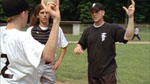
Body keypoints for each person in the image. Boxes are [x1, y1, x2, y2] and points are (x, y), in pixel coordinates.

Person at [74, 0, 135, 84]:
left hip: (108, 73)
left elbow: (128, 36)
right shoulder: (87, 31)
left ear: (103, 13)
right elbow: (81, 43)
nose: (94, 14)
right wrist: (78, 47)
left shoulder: (111, 28)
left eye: (97, 11)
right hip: (92, 73)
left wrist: (131, 18)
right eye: (92, 12)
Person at [0, 0, 61, 84]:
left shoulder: (1, 32)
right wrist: (56, 20)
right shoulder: (23, 38)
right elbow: (48, 56)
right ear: (23, 14)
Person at [26, 4, 68, 84]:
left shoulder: (56, 29)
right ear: (37, 15)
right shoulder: (30, 30)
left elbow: (64, 45)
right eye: (42, 13)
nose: (45, 15)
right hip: (35, 65)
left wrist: (59, 60)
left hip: (49, 66)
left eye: (47, 12)